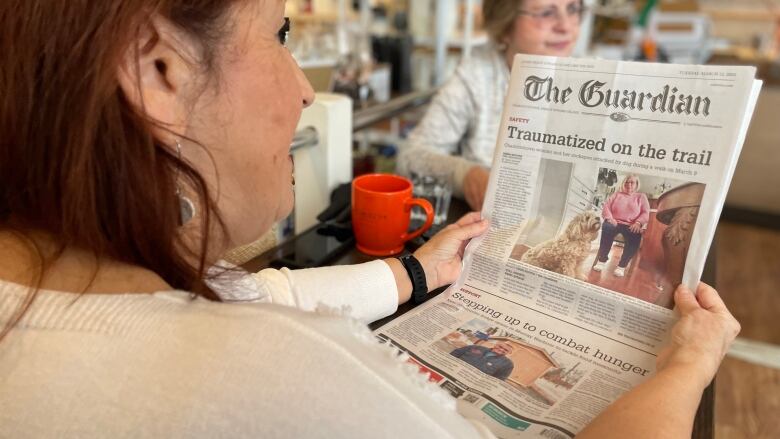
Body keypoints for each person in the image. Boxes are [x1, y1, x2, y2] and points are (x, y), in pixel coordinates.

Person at [0, 1, 740, 438]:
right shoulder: (279, 375)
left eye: (574, 8)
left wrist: (419, 269)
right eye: (281, 33)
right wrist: (687, 363)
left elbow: (255, 291)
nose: (301, 89)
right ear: (158, 71)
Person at [398, 0, 583, 210]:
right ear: (505, 24)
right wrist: (465, 174)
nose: (566, 26)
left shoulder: (595, 84)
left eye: (573, 9)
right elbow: (410, 157)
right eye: (546, 12)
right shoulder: (478, 75)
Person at [593, 174, 651, 278]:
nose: (629, 184)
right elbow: (606, 206)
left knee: (636, 235)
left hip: (631, 225)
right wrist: (610, 218)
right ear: (623, 183)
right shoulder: (616, 194)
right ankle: (602, 260)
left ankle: (622, 266)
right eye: (627, 182)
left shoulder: (641, 196)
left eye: (632, 182)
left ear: (636, 184)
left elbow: (645, 213)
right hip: (614, 221)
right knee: (607, 227)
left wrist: (638, 223)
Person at [451, 341, 515, 380]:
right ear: (496, 344)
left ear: (509, 353)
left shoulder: (508, 364)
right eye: (500, 346)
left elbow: (498, 379)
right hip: (453, 371)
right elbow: (455, 353)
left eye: (506, 350)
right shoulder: (475, 347)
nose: (501, 349)